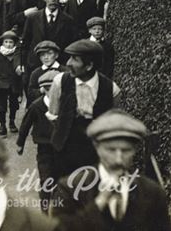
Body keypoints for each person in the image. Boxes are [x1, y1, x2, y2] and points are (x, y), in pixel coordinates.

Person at [53, 109, 171, 230]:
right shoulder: (70, 188)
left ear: (135, 150)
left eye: (126, 151)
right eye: (111, 150)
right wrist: (99, 204)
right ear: (97, 148)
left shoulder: (152, 193)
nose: (118, 159)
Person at [46, 40, 120, 179]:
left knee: (90, 191)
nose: (68, 63)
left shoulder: (111, 89)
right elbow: (53, 115)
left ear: (89, 66)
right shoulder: (59, 81)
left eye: (75, 59)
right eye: (69, 57)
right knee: (65, 189)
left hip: (94, 150)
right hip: (65, 146)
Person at [17, 69, 62, 212]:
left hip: (62, 147)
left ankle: (60, 208)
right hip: (44, 148)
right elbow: (25, 125)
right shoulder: (36, 106)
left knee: (61, 178)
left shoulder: (66, 105)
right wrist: (20, 143)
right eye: (48, 89)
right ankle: (44, 208)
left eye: (56, 89)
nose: (52, 93)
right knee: (46, 178)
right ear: (43, 89)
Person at [0, 30, 26, 136]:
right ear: (2, 43)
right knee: (1, 105)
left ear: (14, 44)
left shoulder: (17, 55)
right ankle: (2, 124)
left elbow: (22, 69)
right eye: (6, 42)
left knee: (14, 104)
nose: (8, 45)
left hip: (14, 84)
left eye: (11, 42)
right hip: (1, 84)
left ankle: (12, 122)